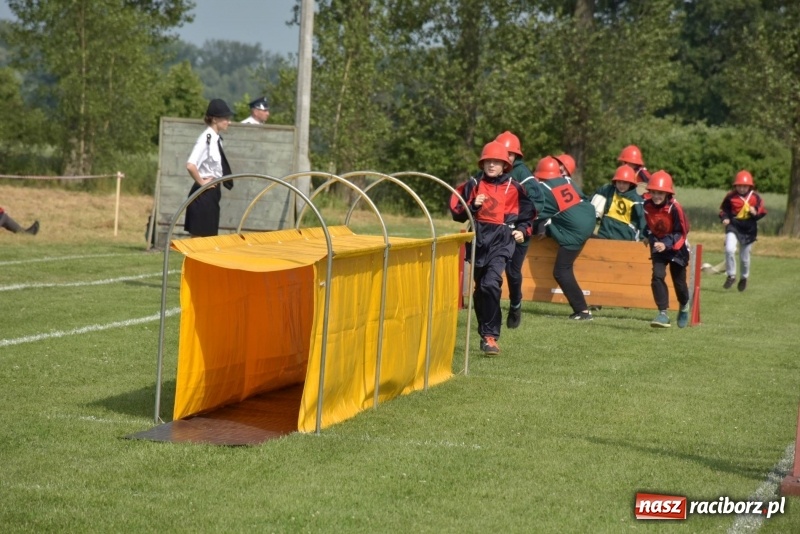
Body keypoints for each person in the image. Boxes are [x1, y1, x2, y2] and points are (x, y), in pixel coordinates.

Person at [449, 140, 534, 355]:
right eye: (488, 161)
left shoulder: (514, 187)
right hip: (479, 238)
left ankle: (491, 337)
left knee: (491, 284)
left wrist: (523, 231)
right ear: (482, 163)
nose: (492, 165)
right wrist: (472, 205)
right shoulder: (473, 184)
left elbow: (528, 215)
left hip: (502, 240)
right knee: (481, 290)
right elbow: (457, 213)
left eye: (497, 162)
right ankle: (485, 335)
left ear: (505, 165)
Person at [528, 156, 596, 320]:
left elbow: (532, 214)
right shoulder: (566, 180)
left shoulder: (543, 188)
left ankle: (583, 311)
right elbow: (582, 198)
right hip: (589, 216)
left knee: (561, 271)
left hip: (575, 230)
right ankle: (583, 310)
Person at [494, 131, 534, 329]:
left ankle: (515, 305)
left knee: (512, 271)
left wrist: (522, 224)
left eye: (511, 153)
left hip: (518, 233)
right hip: (496, 232)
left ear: (516, 155)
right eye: (504, 152)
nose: (507, 156)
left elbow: (538, 201)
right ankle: (491, 310)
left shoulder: (522, 174)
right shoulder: (492, 170)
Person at [643, 171, 691, 328]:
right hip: (658, 245)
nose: (656, 195)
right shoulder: (647, 206)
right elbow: (650, 224)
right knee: (657, 276)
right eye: (654, 192)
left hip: (677, 248)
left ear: (667, 193)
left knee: (680, 285)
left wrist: (666, 244)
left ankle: (684, 305)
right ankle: (662, 313)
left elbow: (681, 232)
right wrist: (646, 234)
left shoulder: (675, 208)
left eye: (660, 193)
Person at [184, 98, 235, 237]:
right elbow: (190, 165)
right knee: (200, 240)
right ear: (214, 119)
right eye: (225, 118)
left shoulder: (215, 139)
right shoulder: (205, 138)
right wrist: (202, 183)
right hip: (204, 194)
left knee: (208, 239)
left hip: (212, 193)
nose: (228, 122)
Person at [719, 170, 767, 291]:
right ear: (736, 186)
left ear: (750, 186)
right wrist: (725, 218)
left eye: (744, 186)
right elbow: (723, 210)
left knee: (744, 257)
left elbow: (762, 211)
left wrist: (755, 212)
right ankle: (731, 275)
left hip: (748, 228)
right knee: (729, 249)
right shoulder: (730, 197)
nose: (742, 188)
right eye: (739, 186)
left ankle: (744, 277)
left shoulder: (755, 197)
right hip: (734, 226)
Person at [591, 165, 647, 241]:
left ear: (630, 184)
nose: (621, 185)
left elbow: (642, 220)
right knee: (599, 197)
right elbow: (595, 195)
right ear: (615, 182)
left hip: (624, 238)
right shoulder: (609, 190)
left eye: (625, 183)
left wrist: (643, 237)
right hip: (604, 234)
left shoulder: (636, 199)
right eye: (619, 182)